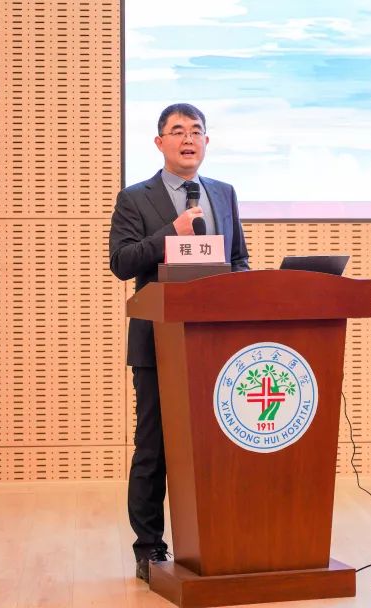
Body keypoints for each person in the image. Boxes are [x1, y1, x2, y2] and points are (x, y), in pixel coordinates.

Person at [108, 103, 250, 582]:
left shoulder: (224, 193)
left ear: (206, 141)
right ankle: (149, 547)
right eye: (177, 131)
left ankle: (217, 539)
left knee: (217, 447)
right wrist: (173, 233)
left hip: (217, 347)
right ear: (159, 142)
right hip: (158, 345)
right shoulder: (135, 198)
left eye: (196, 131)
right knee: (154, 448)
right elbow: (122, 262)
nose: (188, 139)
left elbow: (238, 260)